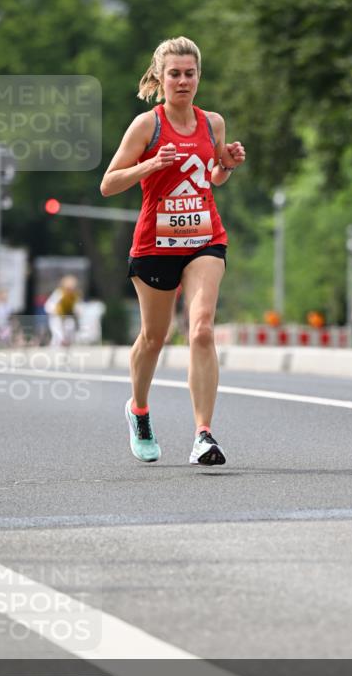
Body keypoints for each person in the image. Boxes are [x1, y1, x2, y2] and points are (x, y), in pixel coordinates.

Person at [100, 36, 245, 465]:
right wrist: (150, 164)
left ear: (199, 76)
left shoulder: (212, 123)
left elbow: (213, 176)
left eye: (190, 73)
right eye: (174, 74)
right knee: (154, 337)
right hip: (155, 244)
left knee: (200, 329)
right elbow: (108, 184)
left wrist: (228, 163)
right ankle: (139, 410)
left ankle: (203, 434)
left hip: (204, 238)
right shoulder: (147, 126)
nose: (183, 81)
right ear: (161, 78)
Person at [44, 275, 82, 347]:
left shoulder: (74, 296)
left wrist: (77, 312)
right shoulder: (59, 293)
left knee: (70, 328)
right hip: (56, 318)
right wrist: (56, 312)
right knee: (58, 336)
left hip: (67, 317)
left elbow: (78, 307)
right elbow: (48, 307)